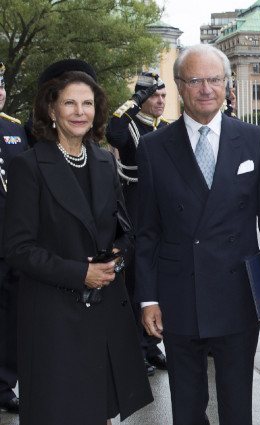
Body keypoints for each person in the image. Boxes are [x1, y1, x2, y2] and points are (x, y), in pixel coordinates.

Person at [135, 44, 260, 424]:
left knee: (237, 403)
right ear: (179, 86)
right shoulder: (154, 147)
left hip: (237, 291)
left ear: (226, 84)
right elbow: (146, 232)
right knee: (186, 406)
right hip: (178, 293)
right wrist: (147, 299)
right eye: (196, 80)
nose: (206, 88)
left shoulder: (254, 139)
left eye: (215, 80)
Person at [2, 59, 153, 424]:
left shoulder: (103, 161)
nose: (79, 112)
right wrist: (79, 273)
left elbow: (125, 230)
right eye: (69, 103)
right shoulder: (29, 166)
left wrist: (118, 257)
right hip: (52, 317)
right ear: (51, 109)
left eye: (87, 103)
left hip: (102, 313)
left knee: (96, 411)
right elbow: (17, 249)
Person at [105, 71, 169, 376]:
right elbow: (112, 134)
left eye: (162, 96)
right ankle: (134, 351)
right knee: (133, 285)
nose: (159, 101)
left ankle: (151, 344)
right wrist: (134, 101)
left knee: (156, 282)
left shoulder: (166, 128)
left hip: (161, 213)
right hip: (135, 209)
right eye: (153, 96)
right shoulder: (129, 125)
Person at [0, 60, 28, 415]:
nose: (1, 91)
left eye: (2, 84)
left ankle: (4, 384)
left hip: (9, 242)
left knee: (9, 318)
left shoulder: (15, 129)